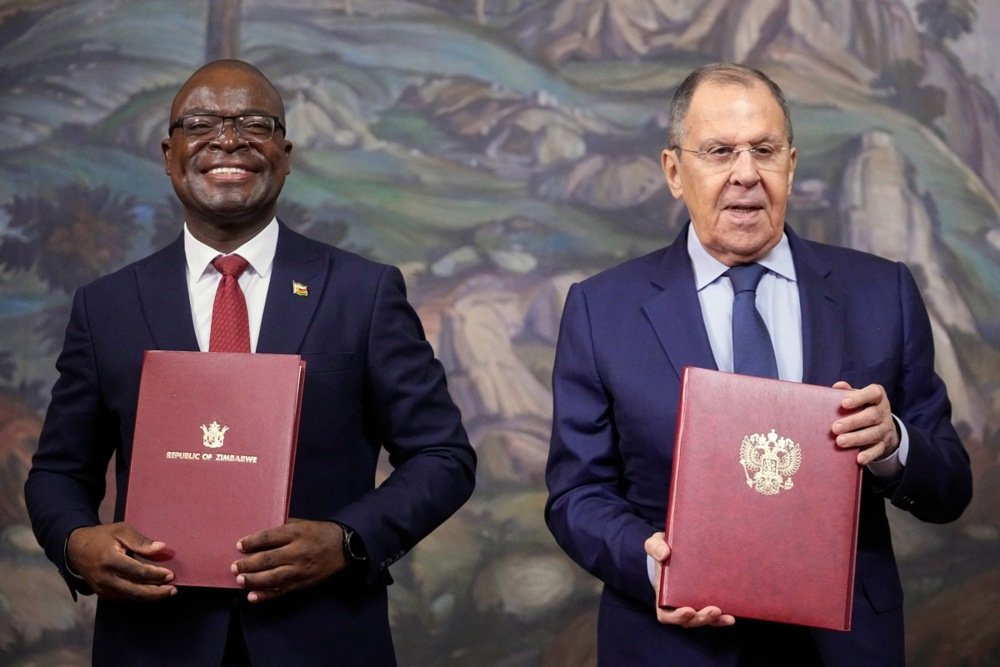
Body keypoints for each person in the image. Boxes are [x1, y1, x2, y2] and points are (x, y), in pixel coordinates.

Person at [24, 59, 476, 667]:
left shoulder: (361, 294)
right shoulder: (107, 307)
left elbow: (443, 457)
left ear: (285, 153)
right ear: (168, 152)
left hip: (323, 638)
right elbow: (57, 473)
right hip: (153, 642)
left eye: (253, 123)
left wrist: (347, 542)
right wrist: (76, 543)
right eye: (201, 123)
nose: (228, 140)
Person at [544, 62, 972, 666]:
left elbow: (951, 485)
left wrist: (893, 445)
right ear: (674, 170)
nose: (746, 174)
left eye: (764, 150)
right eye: (719, 151)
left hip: (845, 645)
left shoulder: (882, 293)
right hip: (673, 644)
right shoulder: (601, 309)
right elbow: (576, 495)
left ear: (790, 166)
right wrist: (654, 565)